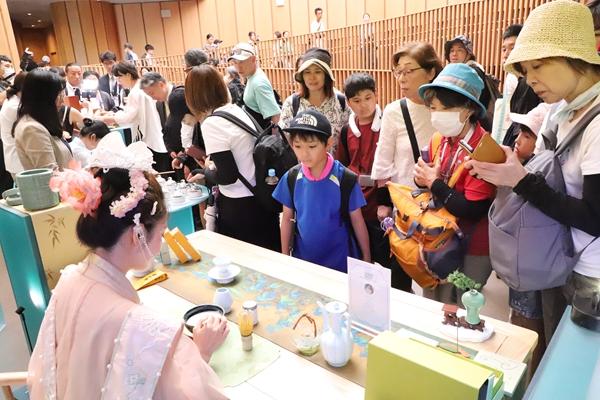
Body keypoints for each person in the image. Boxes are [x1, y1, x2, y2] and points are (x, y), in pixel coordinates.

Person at [28, 133, 228, 399]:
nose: (162, 241)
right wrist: (201, 352)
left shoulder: (69, 279)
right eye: (161, 232)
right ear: (138, 234)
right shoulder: (142, 327)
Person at [466, 0, 600, 354]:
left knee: (576, 366)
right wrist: (510, 167)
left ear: (575, 55)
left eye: (538, 65)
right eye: (525, 70)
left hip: (592, 277)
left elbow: (595, 218)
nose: (531, 79)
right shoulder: (562, 110)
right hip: (561, 260)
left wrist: (521, 181)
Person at [414, 63, 496, 304]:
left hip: (473, 246)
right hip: (439, 238)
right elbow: (426, 180)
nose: (437, 115)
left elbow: (473, 209)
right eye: (433, 108)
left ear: (469, 108)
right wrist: (421, 178)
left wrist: (434, 183)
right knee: (435, 299)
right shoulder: (439, 139)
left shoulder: (485, 149)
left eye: (445, 108)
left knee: (464, 305)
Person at [185, 64, 280, 251]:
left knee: (243, 260)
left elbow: (228, 175)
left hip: (240, 205)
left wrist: (206, 171)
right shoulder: (236, 110)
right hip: (261, 197)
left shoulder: (212, 123)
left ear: (193, 96)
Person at [336, 72, 411, 290]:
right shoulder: (346, 131)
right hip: (357, 206)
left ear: (376, 95)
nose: (363, 105)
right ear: (348, 102)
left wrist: (385, 202)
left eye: (368, 98)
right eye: (356, 100)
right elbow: (343, 168)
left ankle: (400, 297)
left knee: (393, 261)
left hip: (384, 205)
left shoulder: (390, 125)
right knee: (362, 259)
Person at [272, 109, 370, 272]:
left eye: (312, 146)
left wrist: (366, 259)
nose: (304, 153)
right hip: (304, 263)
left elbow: (357, 220)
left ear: (328, 143)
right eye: (297, 146)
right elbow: (287, 218)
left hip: (341, 264)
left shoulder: (345, 179)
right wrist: (284, 257)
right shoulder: (291, 178)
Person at [371, 42, 442, 228]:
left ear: (431, 72)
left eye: (408, 71)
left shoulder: (446, 109)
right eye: (398, 72)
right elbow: (383, 160)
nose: (402, 79)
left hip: (443, 206)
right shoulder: (394, 111)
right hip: (406, 207)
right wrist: (384, 202)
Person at [278, 48, 350, 155]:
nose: (312, 77)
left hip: (335, 164)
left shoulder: (341, 102)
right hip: (302, 164)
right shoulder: (291, 104)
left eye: (318, 71)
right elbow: (286, 138)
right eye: (307, 72)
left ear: (326, 75)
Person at [101, 62, 169, 171]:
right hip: (156, 132)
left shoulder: (135, 92)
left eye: (119, 77)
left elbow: (128, 117)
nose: (118, 81)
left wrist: (111, 118)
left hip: (149, 137)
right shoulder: (141, 88)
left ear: (128, 75)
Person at [13, 69, 72, 170]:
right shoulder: (31, 129)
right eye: (58, 94)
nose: (62, 100)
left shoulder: (41, 121)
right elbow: (49, 172)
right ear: (44, 97)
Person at [140, 72, 195, 175]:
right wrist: (169, 148)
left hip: (190, 154)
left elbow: (192, 127)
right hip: (175, 155)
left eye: (152, 93)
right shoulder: (159, 104)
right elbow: (166, 128)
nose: (152, 98)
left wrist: (184, 154)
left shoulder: (180, 96)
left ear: (161, 84)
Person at [443, 35, 496, 131]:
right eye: (451, 51)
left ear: (468, 54)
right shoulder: (458, 71)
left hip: (474, 124)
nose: (454, 54)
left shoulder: (472, 72)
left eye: (460, 50)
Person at [228, 42, 280, 129]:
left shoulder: (258, 83)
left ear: (253, 59)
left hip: (260, 134)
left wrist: (274, 137)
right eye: (235, 63)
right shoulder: (251, 76)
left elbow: (275, 116)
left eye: (242, 62)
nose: (238, 67)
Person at [491, 24, 522, 144]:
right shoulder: (511, 76)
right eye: (504, 49)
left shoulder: (528, 80)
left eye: (512, 48)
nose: (506, 54)